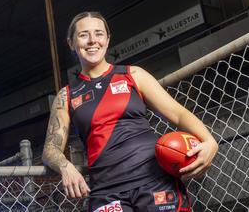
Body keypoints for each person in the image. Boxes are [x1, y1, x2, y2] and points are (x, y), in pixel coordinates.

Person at [42, 11, 218, 212]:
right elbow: (50, 149)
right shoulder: (66, 95)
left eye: (99, 34)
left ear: (107, 40)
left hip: (155, 183)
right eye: (83, 35)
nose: (92, 40)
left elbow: (178, 114)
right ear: (71, 43)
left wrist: (209, 140)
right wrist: (67, 168)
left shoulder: (133, 75)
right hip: (106, 192)